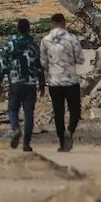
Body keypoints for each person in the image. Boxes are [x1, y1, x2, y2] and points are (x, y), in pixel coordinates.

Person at [0, 18, 46, 152]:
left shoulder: (10, 45)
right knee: (29, 113)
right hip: (30, 83)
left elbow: (2, 65)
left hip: (15, 82)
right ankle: (26, 144)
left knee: (12, 110)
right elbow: (39, 66)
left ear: (17, 29)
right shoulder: (33, 45)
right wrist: (42, 84)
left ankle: (16, 129)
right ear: (29, 29)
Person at [40, 13, 85, 152]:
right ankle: (70, 131)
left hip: (54, 82)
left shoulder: (45, 40)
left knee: (58, 113)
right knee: (75, 110)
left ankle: (61, 143)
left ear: (52, 23)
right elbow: (80, 59)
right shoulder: (72, 38)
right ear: (64, 23)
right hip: (71, 80)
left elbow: (43, 63)